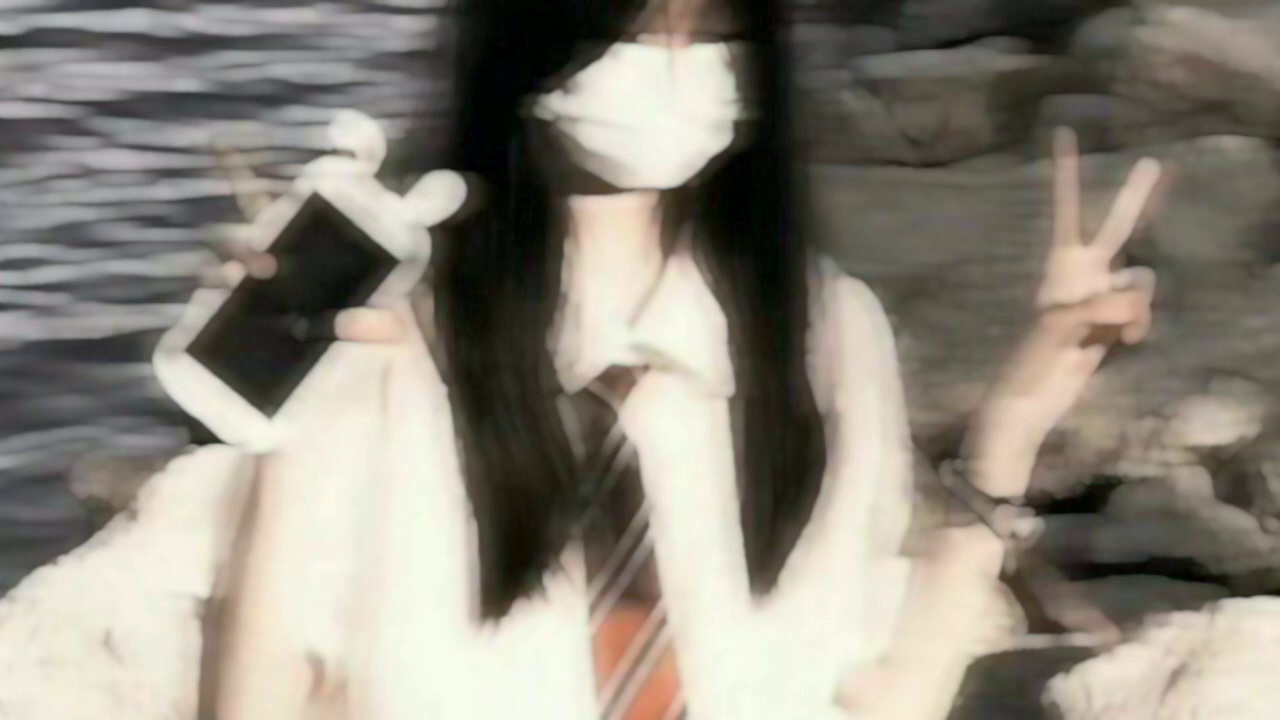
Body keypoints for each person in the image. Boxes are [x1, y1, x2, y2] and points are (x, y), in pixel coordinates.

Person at [0, 0, 1163, 719]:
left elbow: (871, 696)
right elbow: (258, 703)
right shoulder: (390, 349)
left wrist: (1014, 418)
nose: (673, 61)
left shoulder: (819, 336)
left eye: (710, 32)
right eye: (630, 26)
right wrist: (282, 420)